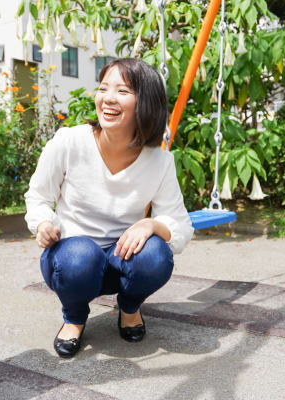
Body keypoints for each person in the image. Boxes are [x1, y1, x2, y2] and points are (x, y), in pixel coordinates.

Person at [25, 58, 194, 358]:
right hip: (71, 261)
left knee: (157, 255)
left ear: (147, 103)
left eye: (123, 91)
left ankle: (129, 308)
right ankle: (74, 317)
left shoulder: (159, 160)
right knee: (81, 256)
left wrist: (151, 225)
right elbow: (38, 197)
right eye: (104, 88)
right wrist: (42, 224)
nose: (108, 98)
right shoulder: (69, 142)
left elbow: (180, 225)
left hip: (121, 260)